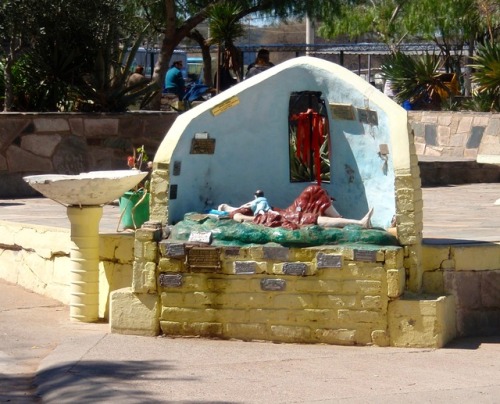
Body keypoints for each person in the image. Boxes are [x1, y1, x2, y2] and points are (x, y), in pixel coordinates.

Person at [218, 185, 373, 230]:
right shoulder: (243, 216)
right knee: (315, 218)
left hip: (287, 212)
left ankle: (342, 219)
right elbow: (244, 217)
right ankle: (358, 223)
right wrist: (233, 212)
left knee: (314, 190)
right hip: (287, 218)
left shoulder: (257, 207)